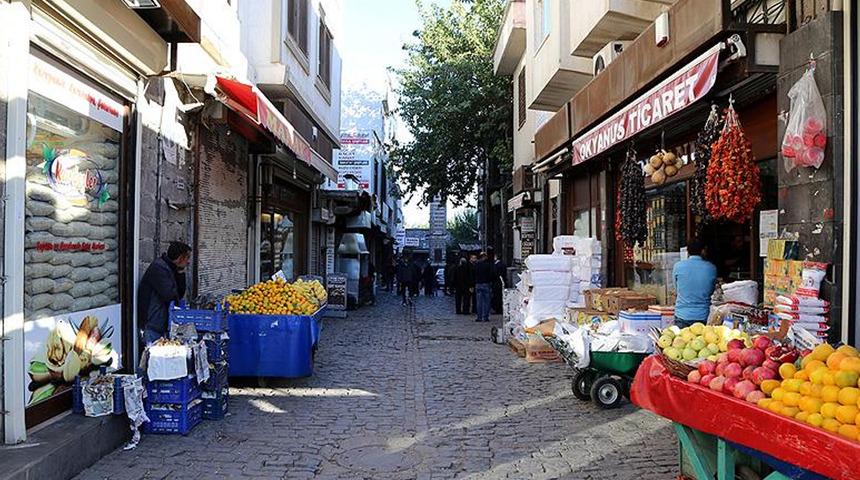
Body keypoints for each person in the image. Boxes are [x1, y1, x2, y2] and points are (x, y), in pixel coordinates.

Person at [138, 241, 191, 345]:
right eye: (187, 257)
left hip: (161, 325)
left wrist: (180, 271)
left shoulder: (170, 268)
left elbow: (179, 294)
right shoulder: (159, 268)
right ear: (180, 258)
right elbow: (170, 296)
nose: (188, 261)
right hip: (152, 325)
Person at [673, 240, 717, 328]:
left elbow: (677, 288)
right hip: (703, 315)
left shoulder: (678, 266)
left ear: (688, 251)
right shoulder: (711, 268)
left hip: (682, 314)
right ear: (703, 251)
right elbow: (711, 290)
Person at [488, 248, 507, 314]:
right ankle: (499, 309)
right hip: (501, 282)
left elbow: (493, 274)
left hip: (496, 282)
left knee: (496, 296)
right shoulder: (503, 264)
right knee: (499, 296)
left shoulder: (496, 265)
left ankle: (497, 309)